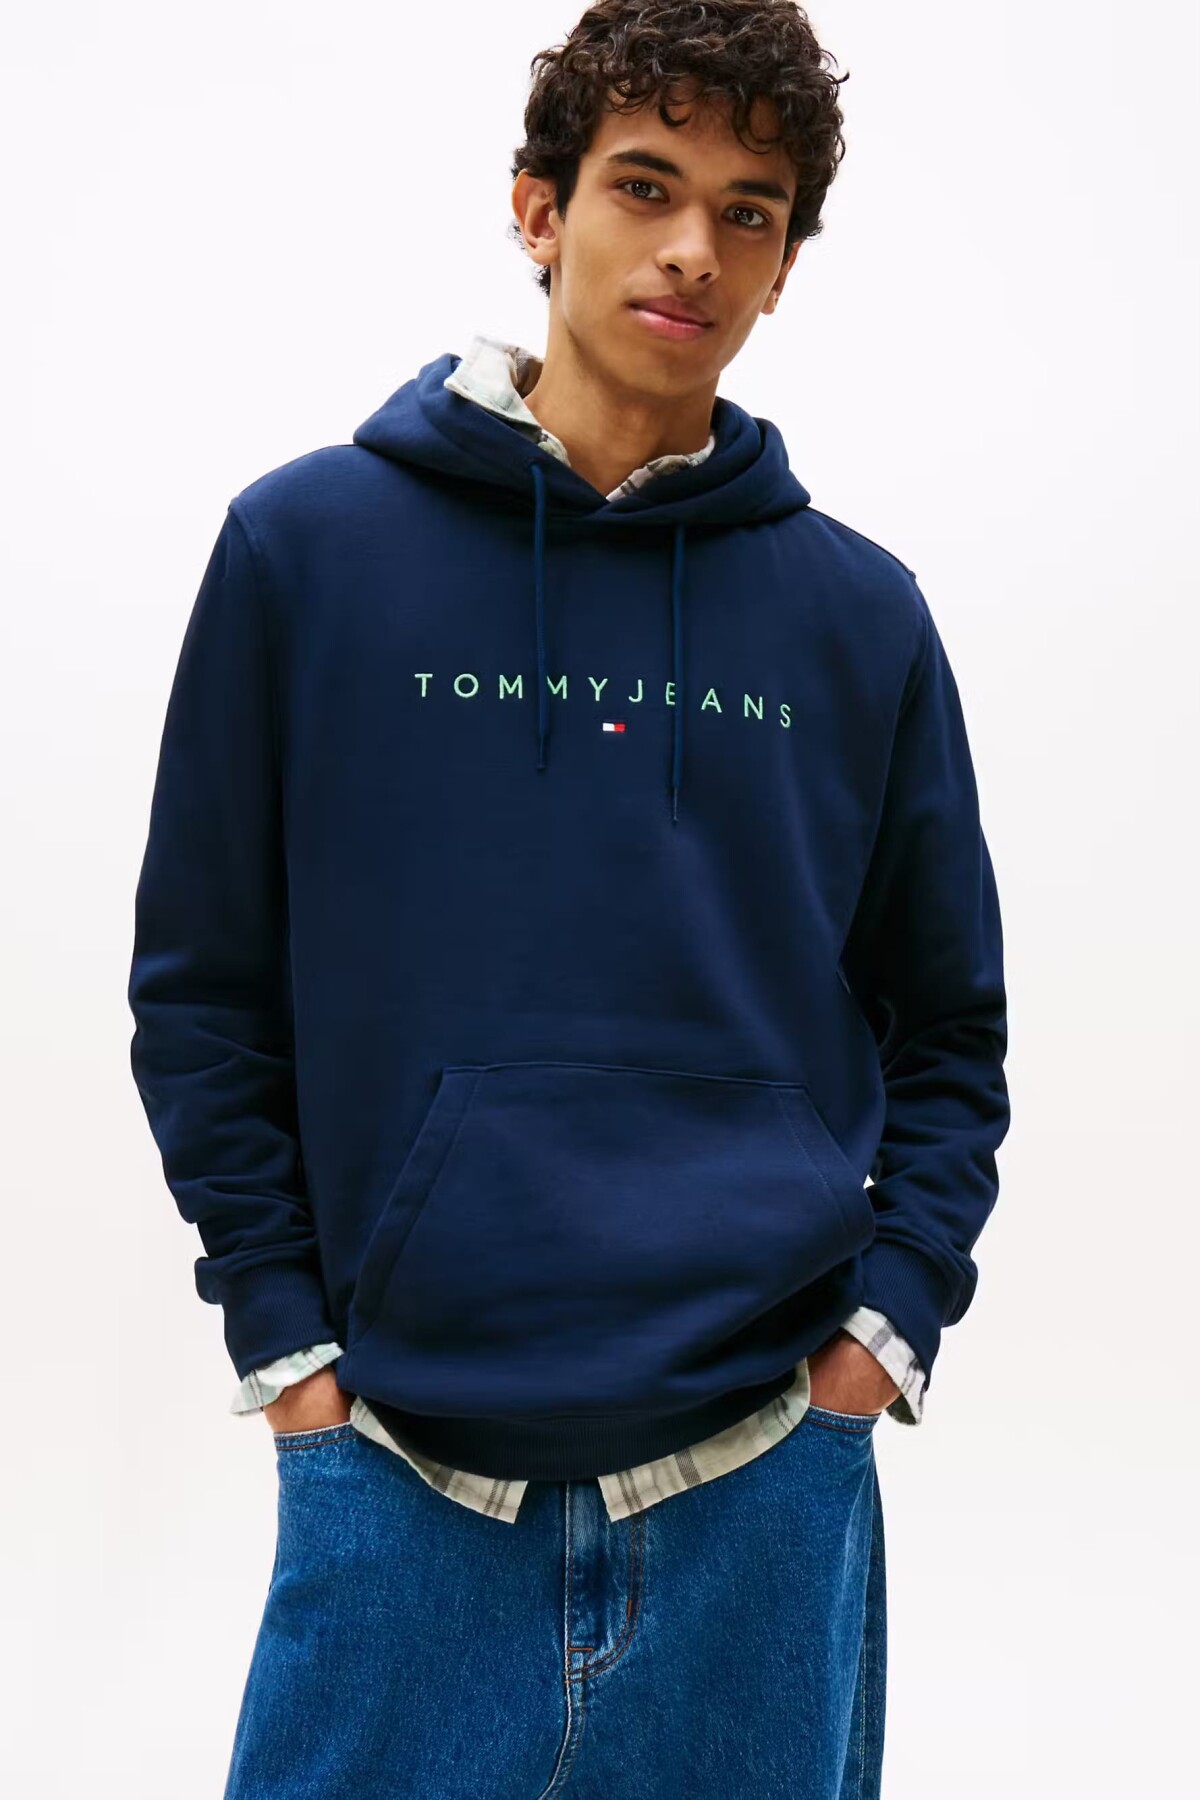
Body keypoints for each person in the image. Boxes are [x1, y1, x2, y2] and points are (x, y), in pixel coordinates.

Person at [127, 4, 1009, 1795]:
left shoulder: (860, 617)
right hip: (398, 1478)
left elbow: (950, 1026)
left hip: (761, 1482)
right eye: (646, 187)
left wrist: (880, 1338)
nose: (695, 250)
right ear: (539, 208)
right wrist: (288, 1353)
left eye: (750, 213)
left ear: (783, 266)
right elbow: (204, 988)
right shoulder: (307, 553)